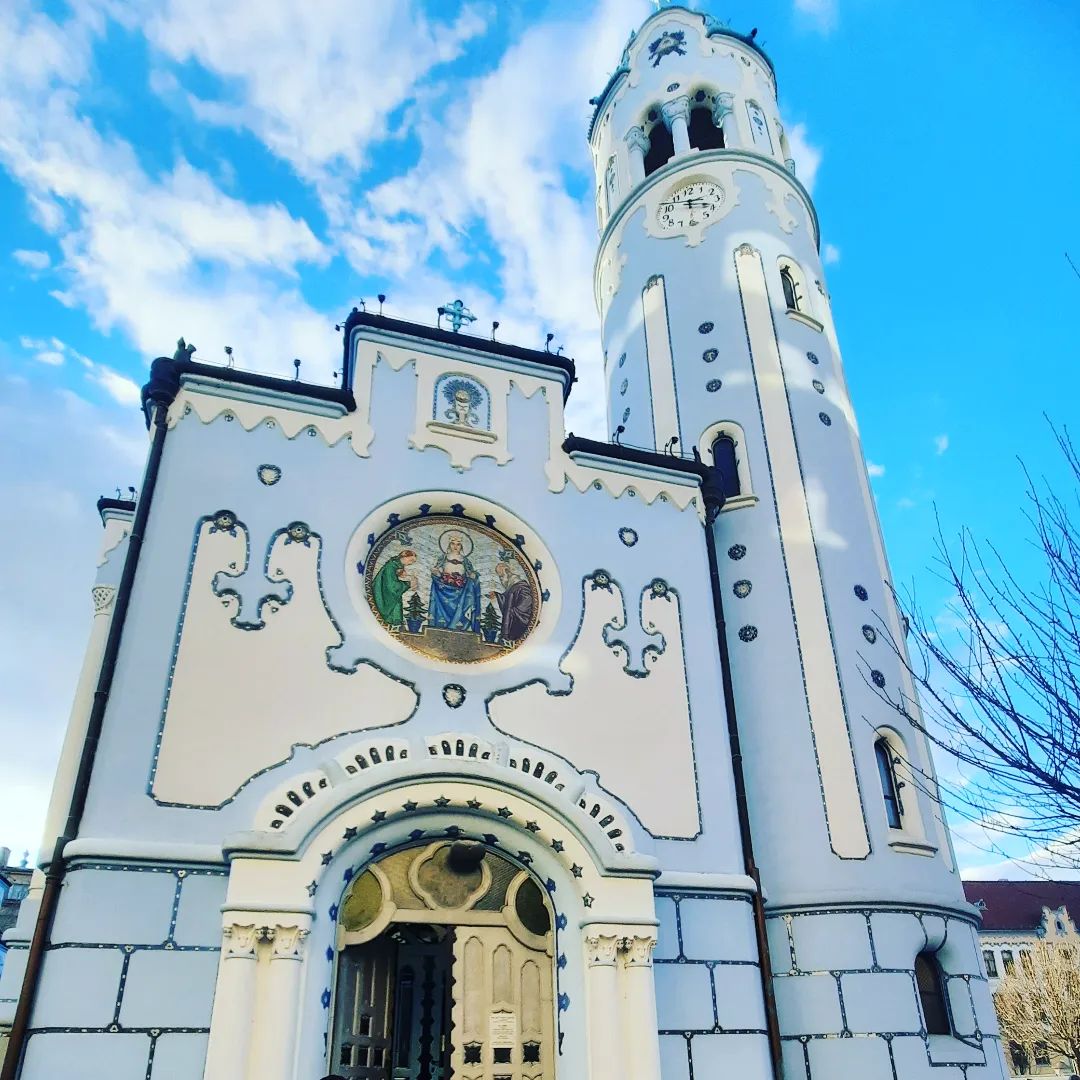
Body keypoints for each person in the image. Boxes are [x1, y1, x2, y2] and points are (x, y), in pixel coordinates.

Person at [428, 532, 481, 633]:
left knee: (467, 596)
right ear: (449, 545)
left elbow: (471, 574)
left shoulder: (465, 561)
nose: (455, 546)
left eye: (458, 544)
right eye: (453, 543)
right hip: (443, 590)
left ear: (461, 546)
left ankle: (460, 627)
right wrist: (437, 573)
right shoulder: (443, 557)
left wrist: (473, 576)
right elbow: (438, 570)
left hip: (461, 591)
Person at [488, 560, 534, 642]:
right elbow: (507, 601)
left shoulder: (521, 585)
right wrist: (497, 596)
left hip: (520, 620)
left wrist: (513, 611)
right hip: (515, 619)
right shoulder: (512, 586)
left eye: (501, 576)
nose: (501, 579)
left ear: (507, 572)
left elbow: (527, 601)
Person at [371, 548, 417, 627]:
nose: (412, 563)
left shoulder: (396, 566)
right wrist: (409, 584)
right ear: (404, 557)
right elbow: (393, 587)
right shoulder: (391, 567)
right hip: (383, 595)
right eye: (411, 560)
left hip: (387, 593)